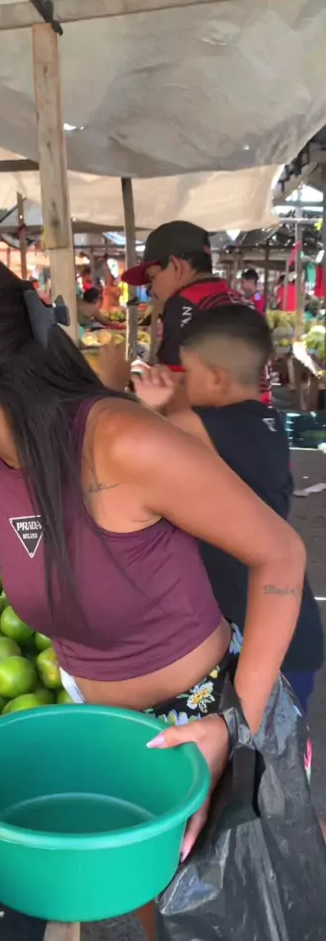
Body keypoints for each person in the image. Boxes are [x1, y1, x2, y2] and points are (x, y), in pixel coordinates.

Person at [0, 238, 308, 941]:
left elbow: (280, 553)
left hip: (212, 713)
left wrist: (233, 726)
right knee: (174, 930)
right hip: (107, 739)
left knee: (271, 934)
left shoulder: (122, 446)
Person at [133, 305, 324, 712]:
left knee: (243, 744)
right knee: (279, 746)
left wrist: (147, 405)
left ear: (217, 378)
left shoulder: (198, 426)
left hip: (255, 634)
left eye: (189, 373)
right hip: (292, 628)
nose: (182, 383)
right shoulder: (269, 423)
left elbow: (136, 450)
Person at [122, 220, 271, 405]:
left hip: (217, 419)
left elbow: (173, 391)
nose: (150, 290)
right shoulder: (234, 298)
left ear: (176, 266)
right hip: (260, 413)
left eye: (152, 277)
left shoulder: (184, 302)